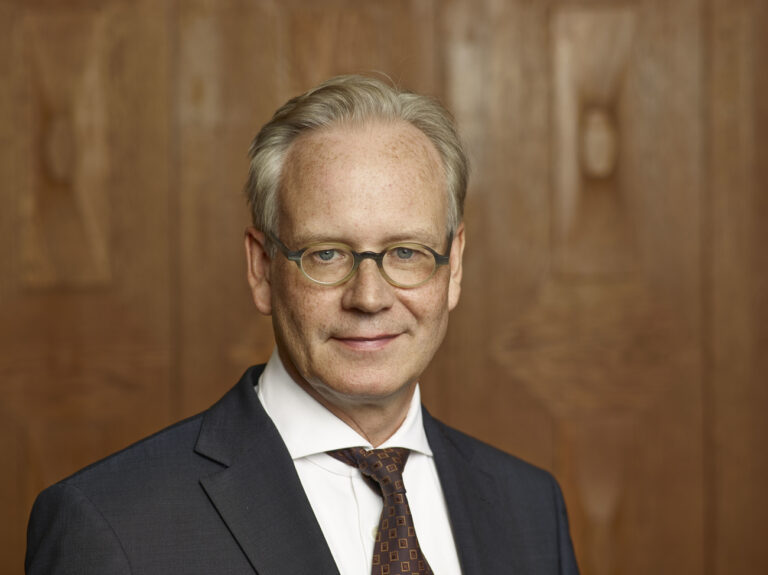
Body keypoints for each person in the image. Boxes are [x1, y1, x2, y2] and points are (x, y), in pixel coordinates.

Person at [26, 75, 579, 575]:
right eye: (327, 254)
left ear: (452, 267)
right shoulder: (111, 523)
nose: (369, 298)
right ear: (262, 268)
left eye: (406, 252)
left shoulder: (529, 509)